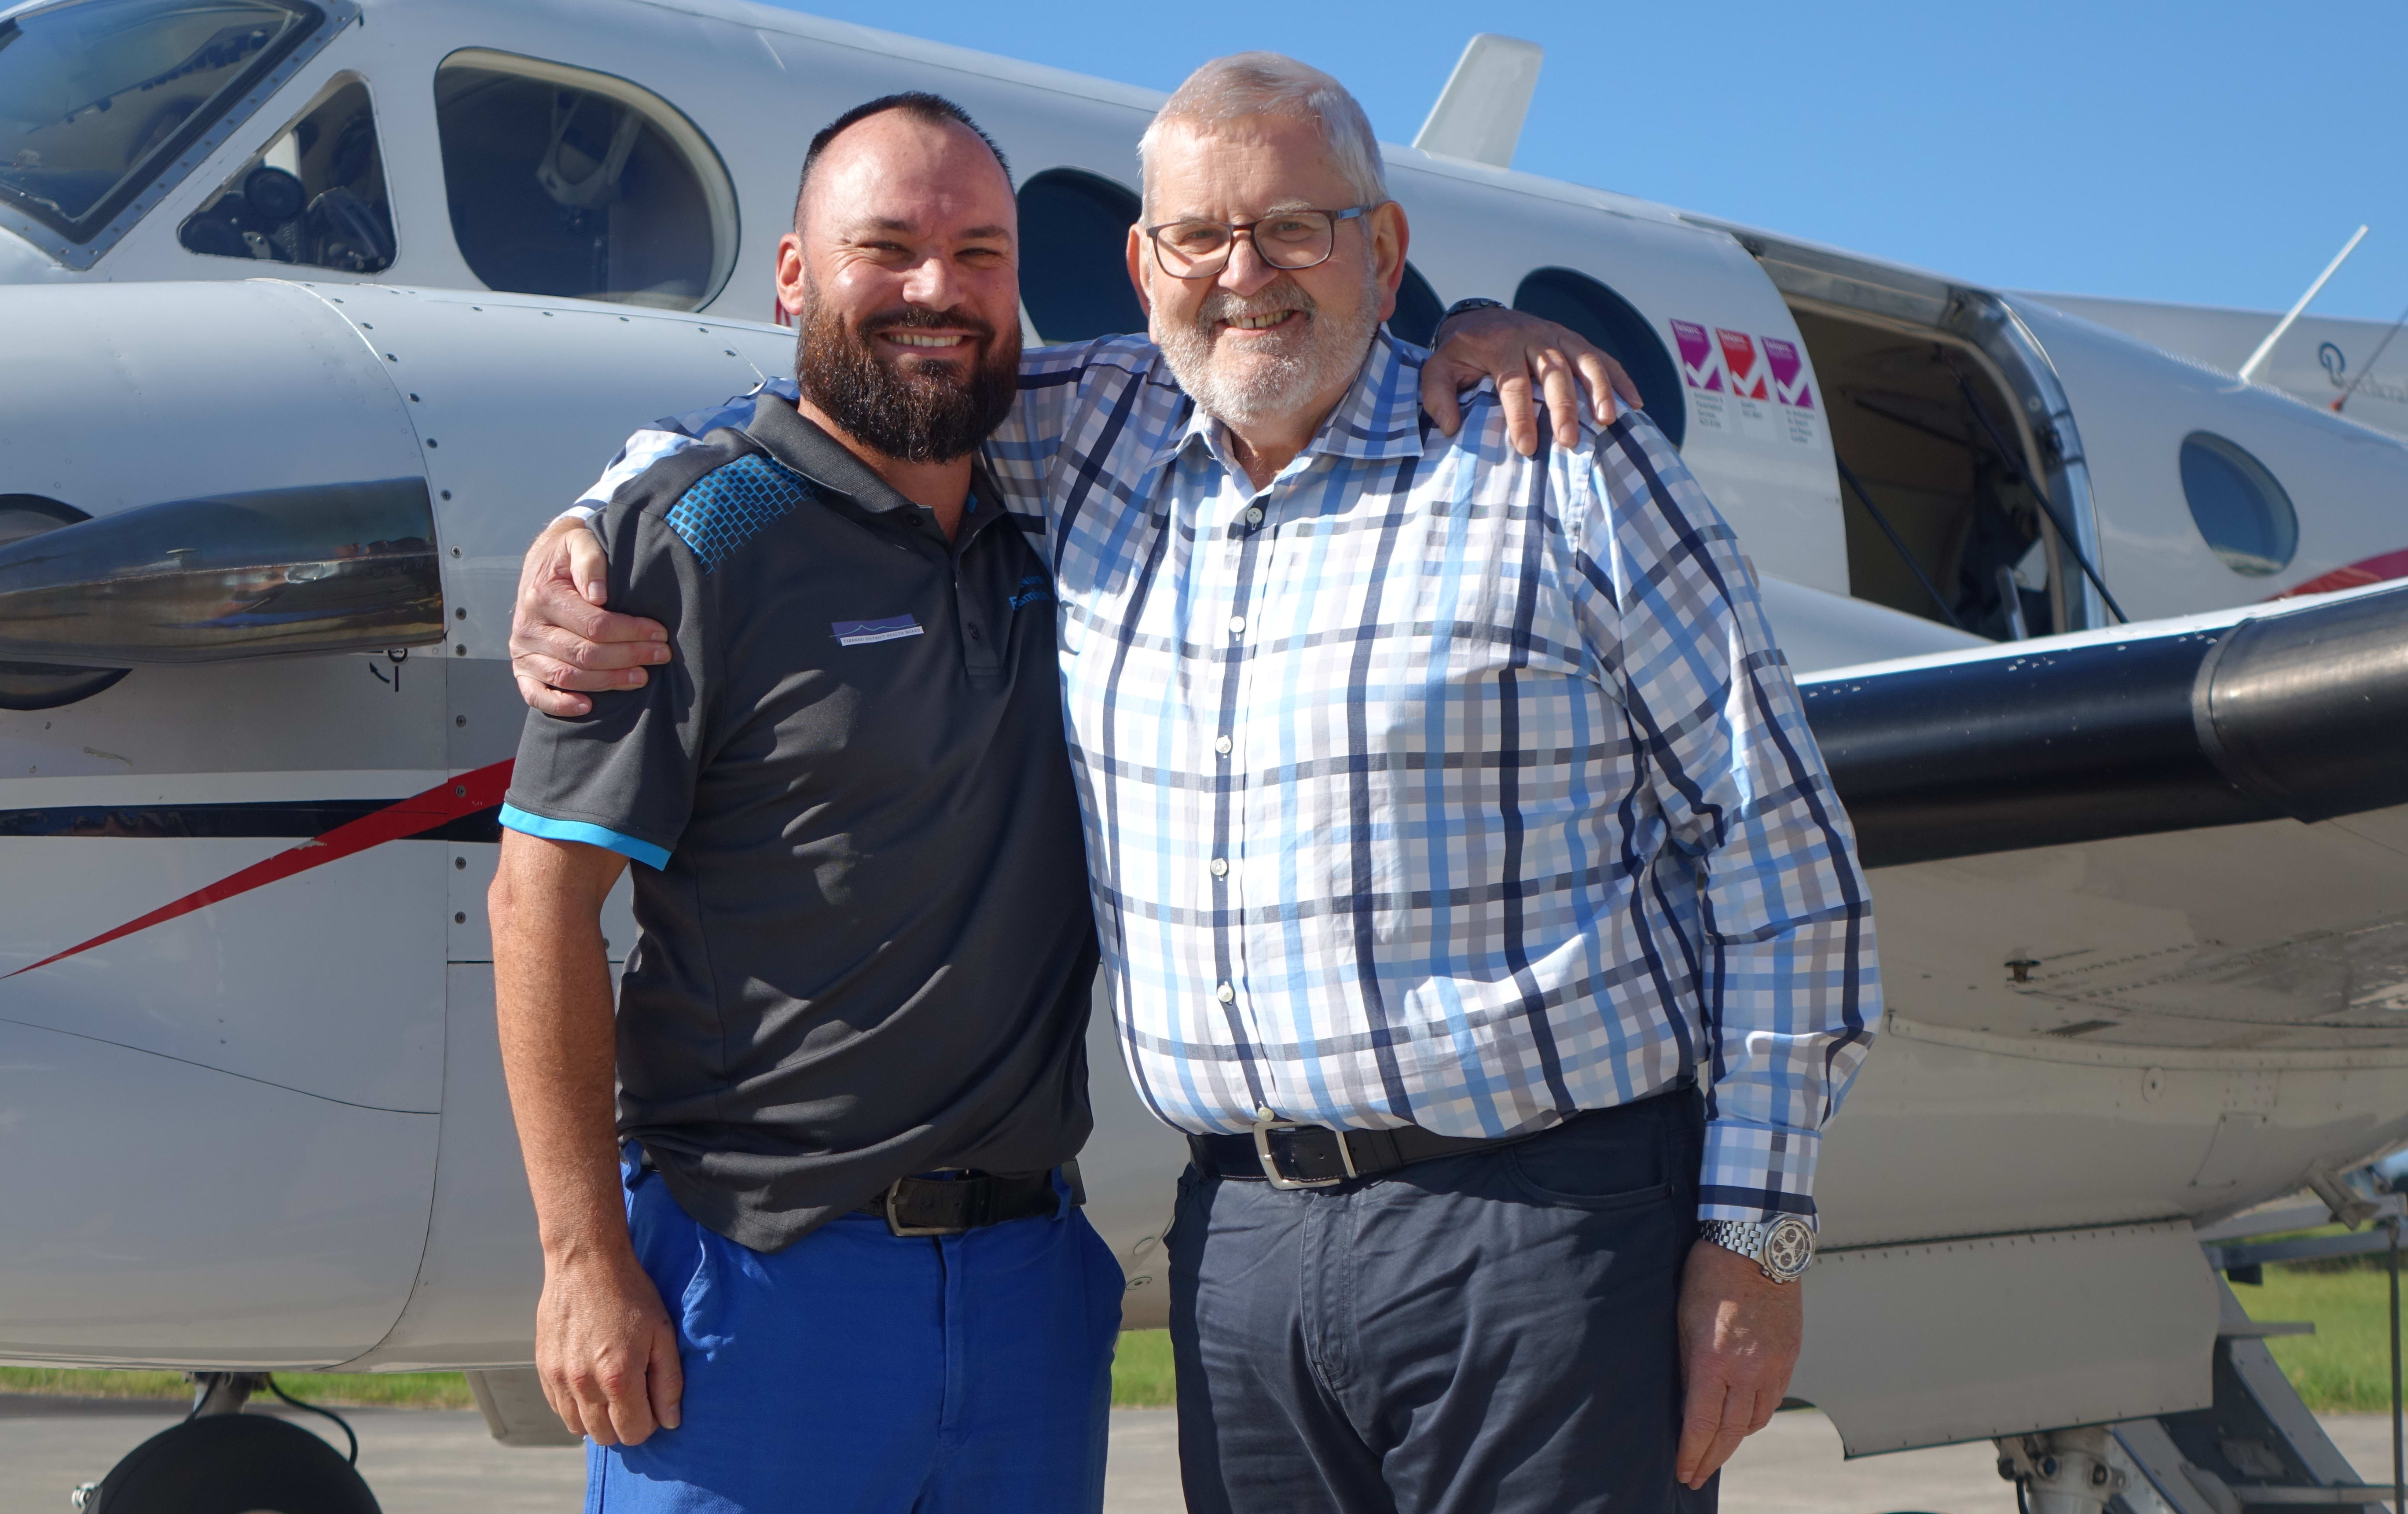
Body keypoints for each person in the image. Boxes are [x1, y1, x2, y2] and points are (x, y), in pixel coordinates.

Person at [492, 87, 1628, 1514]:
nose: (936, 292)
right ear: (793, 273)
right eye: (887, 248)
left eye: (979, 254)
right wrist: (584, 1261)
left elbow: (1289, 349)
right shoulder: (692, 536)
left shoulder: (1074, 486)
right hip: (759, 1284)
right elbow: (537, 900)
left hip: (1032, 1285)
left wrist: (1470, 332)